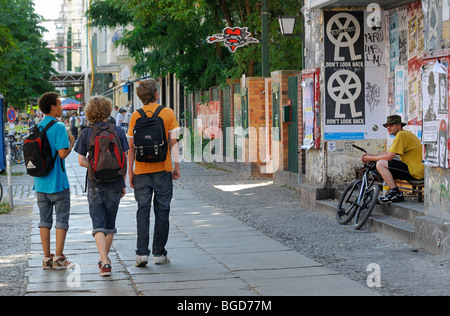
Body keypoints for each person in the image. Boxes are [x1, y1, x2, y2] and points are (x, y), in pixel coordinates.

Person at [127, 78, 180, 267]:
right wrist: (176, 166)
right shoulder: (167, 113)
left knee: (142, 210)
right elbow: (173, 142)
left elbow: (131, 147)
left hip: (141, 170)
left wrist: (130, 172)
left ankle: (142, 254)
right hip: (163, 169)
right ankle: (159, 253)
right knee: (162, 209)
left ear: (141, 98)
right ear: (156, 94)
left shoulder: (135, 116)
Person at [75, 96, 129, 277]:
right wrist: (121, 182)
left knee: (98, 223)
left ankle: (104, 261)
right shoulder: (118, 131)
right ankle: (105, 259)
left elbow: (81, 160)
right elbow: (124, 159)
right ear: (107, 111)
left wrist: (95, 166)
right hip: (115, 182)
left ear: (90, 111)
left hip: (95, 183)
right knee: (110, 224)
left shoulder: (86, 133)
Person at [34, 92, 75, 270]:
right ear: (52, 107)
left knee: (44, 221)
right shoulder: (58, 127)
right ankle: (58, 257)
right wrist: (71, 143)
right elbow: (62, 153)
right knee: (61, 221)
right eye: (59, 104)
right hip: (58, 183)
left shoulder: (37, 127)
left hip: (40, 183)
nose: (61, 107)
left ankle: (46, 258)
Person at [361, 115, 424, 203]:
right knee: (381, 163)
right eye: (387, 126)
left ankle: (395, 192)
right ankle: (392, 192)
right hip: (413, 168)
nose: (388, 128)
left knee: (381, 164)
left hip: (415, 170)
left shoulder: (402, 135)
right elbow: (388, 153)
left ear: (399, 126)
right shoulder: (402, 135)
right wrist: (372, 155)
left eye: (391, 125)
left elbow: (389, 156)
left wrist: (370, 158)